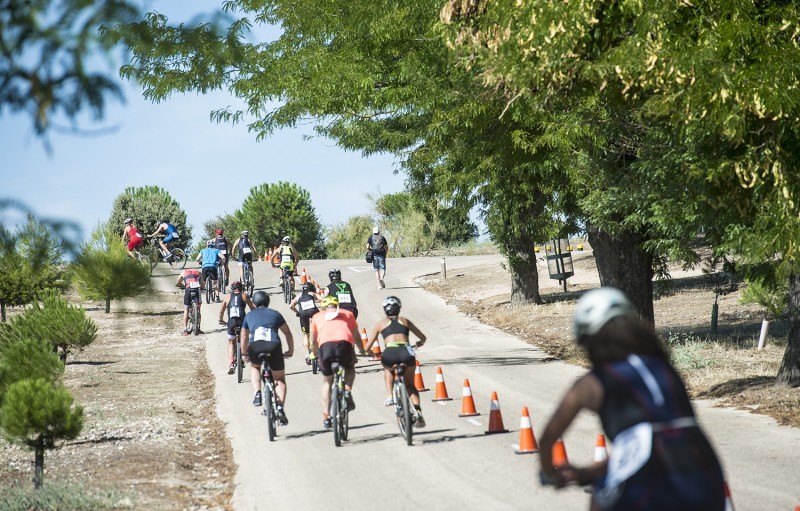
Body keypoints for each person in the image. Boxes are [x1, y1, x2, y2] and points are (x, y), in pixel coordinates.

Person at [538, 287, 726, 511]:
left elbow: (548, 438)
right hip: (703, 463)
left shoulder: (592, 384)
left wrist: (551, 474)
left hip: (648, 479)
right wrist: (587, 473)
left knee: (599, 500)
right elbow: (654, 440)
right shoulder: (664, 367)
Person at [365, 296, 427, 427]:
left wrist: (372, 353)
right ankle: (418, 412)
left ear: (385, 310)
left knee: (388, 368)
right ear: (399, 308)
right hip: (406, 351)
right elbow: (423, 337)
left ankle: (390, 396)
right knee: (410, 385)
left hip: (390, 353)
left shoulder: (380, 324)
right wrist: (419, 342)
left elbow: (367, 347)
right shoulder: (405, 321)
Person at [240, 291, 293, 425]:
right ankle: (280, 407)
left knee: (255, 367)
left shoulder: (249, 315)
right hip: (274, 346)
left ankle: (257, 393)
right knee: (280, 379)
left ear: (255, 303)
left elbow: (244, 336)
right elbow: (287, 333)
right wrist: (290, 350)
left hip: (255, 347)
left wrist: (244, 352)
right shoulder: (275, 313)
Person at [310, 295, 360, 429]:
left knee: (327, 381)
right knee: (350, 369)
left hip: (325, 348)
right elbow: (356, 336)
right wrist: (363, 350)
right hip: (344, 346)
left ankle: (326, 415)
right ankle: (347, 390)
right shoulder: (348, 314)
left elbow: (314, 341)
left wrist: (314, 354)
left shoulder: (317, 317)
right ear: (337, 306)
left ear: (324, 307)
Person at [325, 269, 366, 355]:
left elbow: (324, 298)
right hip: (352, 309)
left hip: (340, 311)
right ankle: (352, 352)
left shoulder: (329, 287)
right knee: (351, 330)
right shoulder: (347, 284)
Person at [219, 281, 256, 374]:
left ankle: (231, 363)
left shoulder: (227, 297)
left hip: (231, 322)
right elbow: (252, 309)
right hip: (242, 321)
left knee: (231, 342)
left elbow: (221, 310)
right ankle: (243, 354)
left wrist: (221, 320)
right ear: (241, 288)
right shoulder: (245, 296)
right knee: (246, 338)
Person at [289, 282, 320, 366]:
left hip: (303, 313)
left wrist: (297, 312)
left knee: (305, 335)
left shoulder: (299, 296)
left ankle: (307, 355)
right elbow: (322, 299)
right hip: (313, 311)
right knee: (319, 329)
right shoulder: (311, 293)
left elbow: (291, 305)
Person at [175, 264, 205, 335]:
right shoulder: (198, 272)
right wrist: (202, 288)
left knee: (186, 308)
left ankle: (185, 329)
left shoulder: (183, 272)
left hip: (188, 288)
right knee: (198, 309)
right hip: (196, 288)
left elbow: (178, 282)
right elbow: (203, 285)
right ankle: (198, 328)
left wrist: (182, 285)